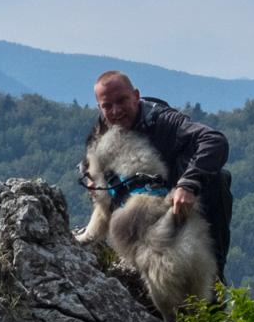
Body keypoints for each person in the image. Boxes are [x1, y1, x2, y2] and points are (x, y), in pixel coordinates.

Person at [92, 70, 233, 279]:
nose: (116, 111)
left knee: (218, 178)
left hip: (185, 200)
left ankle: (214, 281)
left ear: (136, 96)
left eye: (122, 101)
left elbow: (214, 140)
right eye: (108, 106)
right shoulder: (105, 134)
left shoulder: (163, 120)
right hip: (144, 215)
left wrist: (189, 183)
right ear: (100, 108)